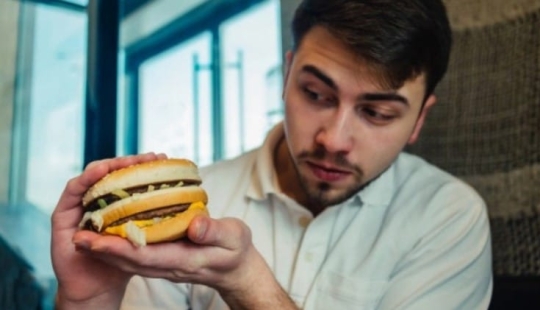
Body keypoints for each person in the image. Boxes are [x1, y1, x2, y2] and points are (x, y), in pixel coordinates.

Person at [51, 0, 493, 309]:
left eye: (376, 113)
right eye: (316, 93)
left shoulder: (448, 218)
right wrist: (87, 300)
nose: (334, 140)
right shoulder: (190, 206)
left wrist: (247, 284)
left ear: (418, 119)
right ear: (286, 75)